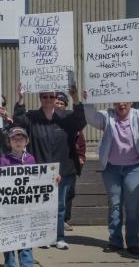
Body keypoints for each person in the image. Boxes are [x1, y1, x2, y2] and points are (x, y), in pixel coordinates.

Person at [84, 90, 139, 255]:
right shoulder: (107, 116)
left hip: (135, 168)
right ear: (113, 103)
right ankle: (115, 241)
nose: (122, 104)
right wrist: (88, 101)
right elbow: (91, 118)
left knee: (132, 207)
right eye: (118, 101)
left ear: (132, 102)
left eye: (125, 101)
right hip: (112, 169)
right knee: (115, 205)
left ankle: (133, 242)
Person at [12, 85, 86, 250]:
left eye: (51, 97)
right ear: (40, 98)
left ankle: (59, 237)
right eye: (44, 97)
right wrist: (21, 99)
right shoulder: (32, 117)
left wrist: (75, 98)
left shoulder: (66, 117)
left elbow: (81, 121)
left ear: (56, 99)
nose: (48, 100)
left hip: (63, 170)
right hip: (39, 171)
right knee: (40, 206)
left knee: (59, 206)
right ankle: (42, 237)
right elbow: (17, 123)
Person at [0, 127, 36, 267]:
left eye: (21, 138)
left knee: (26, 239)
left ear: (27, 141)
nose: (18, 141)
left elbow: (38, 180)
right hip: (8, 209)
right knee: (9, 239)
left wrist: (53, 178)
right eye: (14, 138)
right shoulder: (3, 159)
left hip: (26, 208)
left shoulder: (31, 159)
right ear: (9, 142)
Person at [55, 91, 87, 231]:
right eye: (57, 102)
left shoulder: (71, 120)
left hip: (69, 163)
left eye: (62, 103)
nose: (59, 105)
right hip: (52, 164)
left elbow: (80, 142)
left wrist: (81, 157)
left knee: (69, 192)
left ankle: (64, 220)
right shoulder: (46, 119)